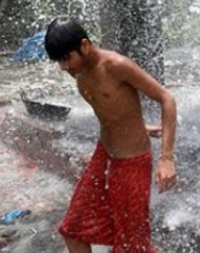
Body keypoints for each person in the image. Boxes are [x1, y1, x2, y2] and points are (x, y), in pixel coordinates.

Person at [44, 17, 177, 253]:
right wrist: (137, 125)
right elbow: (110, 108)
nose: (64, 67)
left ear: (84, 45)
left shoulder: (116, 65)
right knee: (73, 230)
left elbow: (167, 99)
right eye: (60, 62)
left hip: (132, 163)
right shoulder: (78, 70)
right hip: (104, 156)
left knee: (131, 246)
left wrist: (166, 158)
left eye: (66, 59)